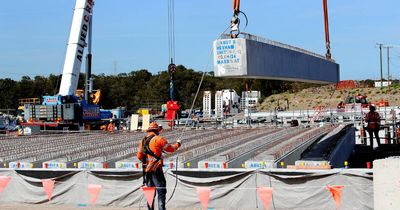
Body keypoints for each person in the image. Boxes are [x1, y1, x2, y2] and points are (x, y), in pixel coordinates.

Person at [137, 122, 181, 210]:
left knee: (150, 194)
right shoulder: (159, 139)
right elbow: (171, 149)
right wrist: (178, 144)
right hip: (157, 170)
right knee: (161, 192)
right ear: (157, 130)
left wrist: (147, 163)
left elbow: (139, 156)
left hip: (147, 171)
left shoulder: (142, 141)